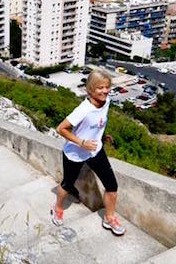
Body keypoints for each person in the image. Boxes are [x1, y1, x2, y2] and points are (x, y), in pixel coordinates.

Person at [50, 69, 125, 236]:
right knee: (67, 184)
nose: (105, 91)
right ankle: (58, 207)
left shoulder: (106, 101)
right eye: (100, 88)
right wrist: (82, 142)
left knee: (112, 186)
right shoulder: (83, 109)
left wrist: (101, 135)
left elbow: (97, 123)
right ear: (90, 89)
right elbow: (61, 129)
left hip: (95, 150)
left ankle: (109, 218)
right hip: (75, 153)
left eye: (107, 87)